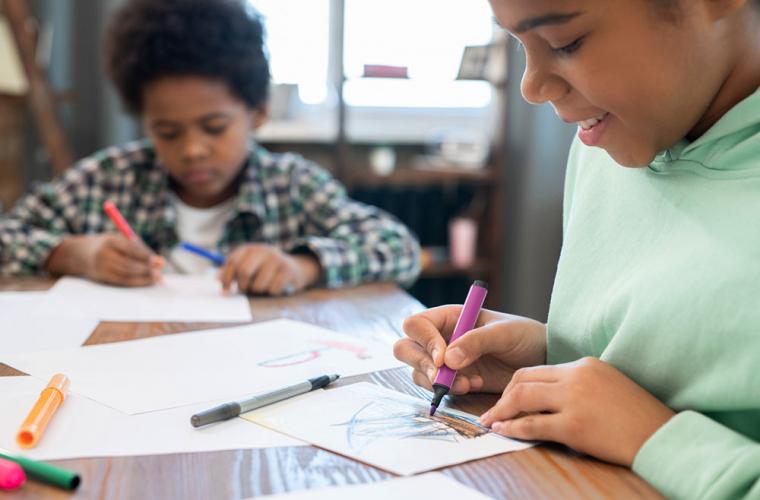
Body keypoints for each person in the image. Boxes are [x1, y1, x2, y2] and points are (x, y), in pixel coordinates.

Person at [394, 0, 760, 497]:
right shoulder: (605, 144)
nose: (531, 87)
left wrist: (658, 440)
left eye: (565, 42)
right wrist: (549, 358)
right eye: (517, 43)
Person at [0, 0, 420, 295]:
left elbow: (399, 248)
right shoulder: (110, 178)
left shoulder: (292, 186)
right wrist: (74, 254)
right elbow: (9, 236)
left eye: (214, 127)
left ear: (256, 112)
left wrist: (302, 265)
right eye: (167, 131)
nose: (193, 150)